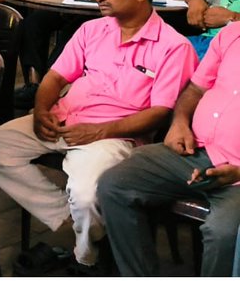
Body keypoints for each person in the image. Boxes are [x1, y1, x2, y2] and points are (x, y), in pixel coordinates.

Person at [0, 0, 196, 274]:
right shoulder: (92, 30)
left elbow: (159, 113)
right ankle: (80, 224)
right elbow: (56, 78)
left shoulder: (173, 47)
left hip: (114, 135)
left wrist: (98, 132)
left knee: (85, 194)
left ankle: (86, 259)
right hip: (63, 119)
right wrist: (41, 111)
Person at [98, 19, 240, 276]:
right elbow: (195, 88)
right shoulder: (232, 34)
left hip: (237, 177)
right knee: (115, 184)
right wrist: (179, 123)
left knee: (223, 233)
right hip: (193, 150)